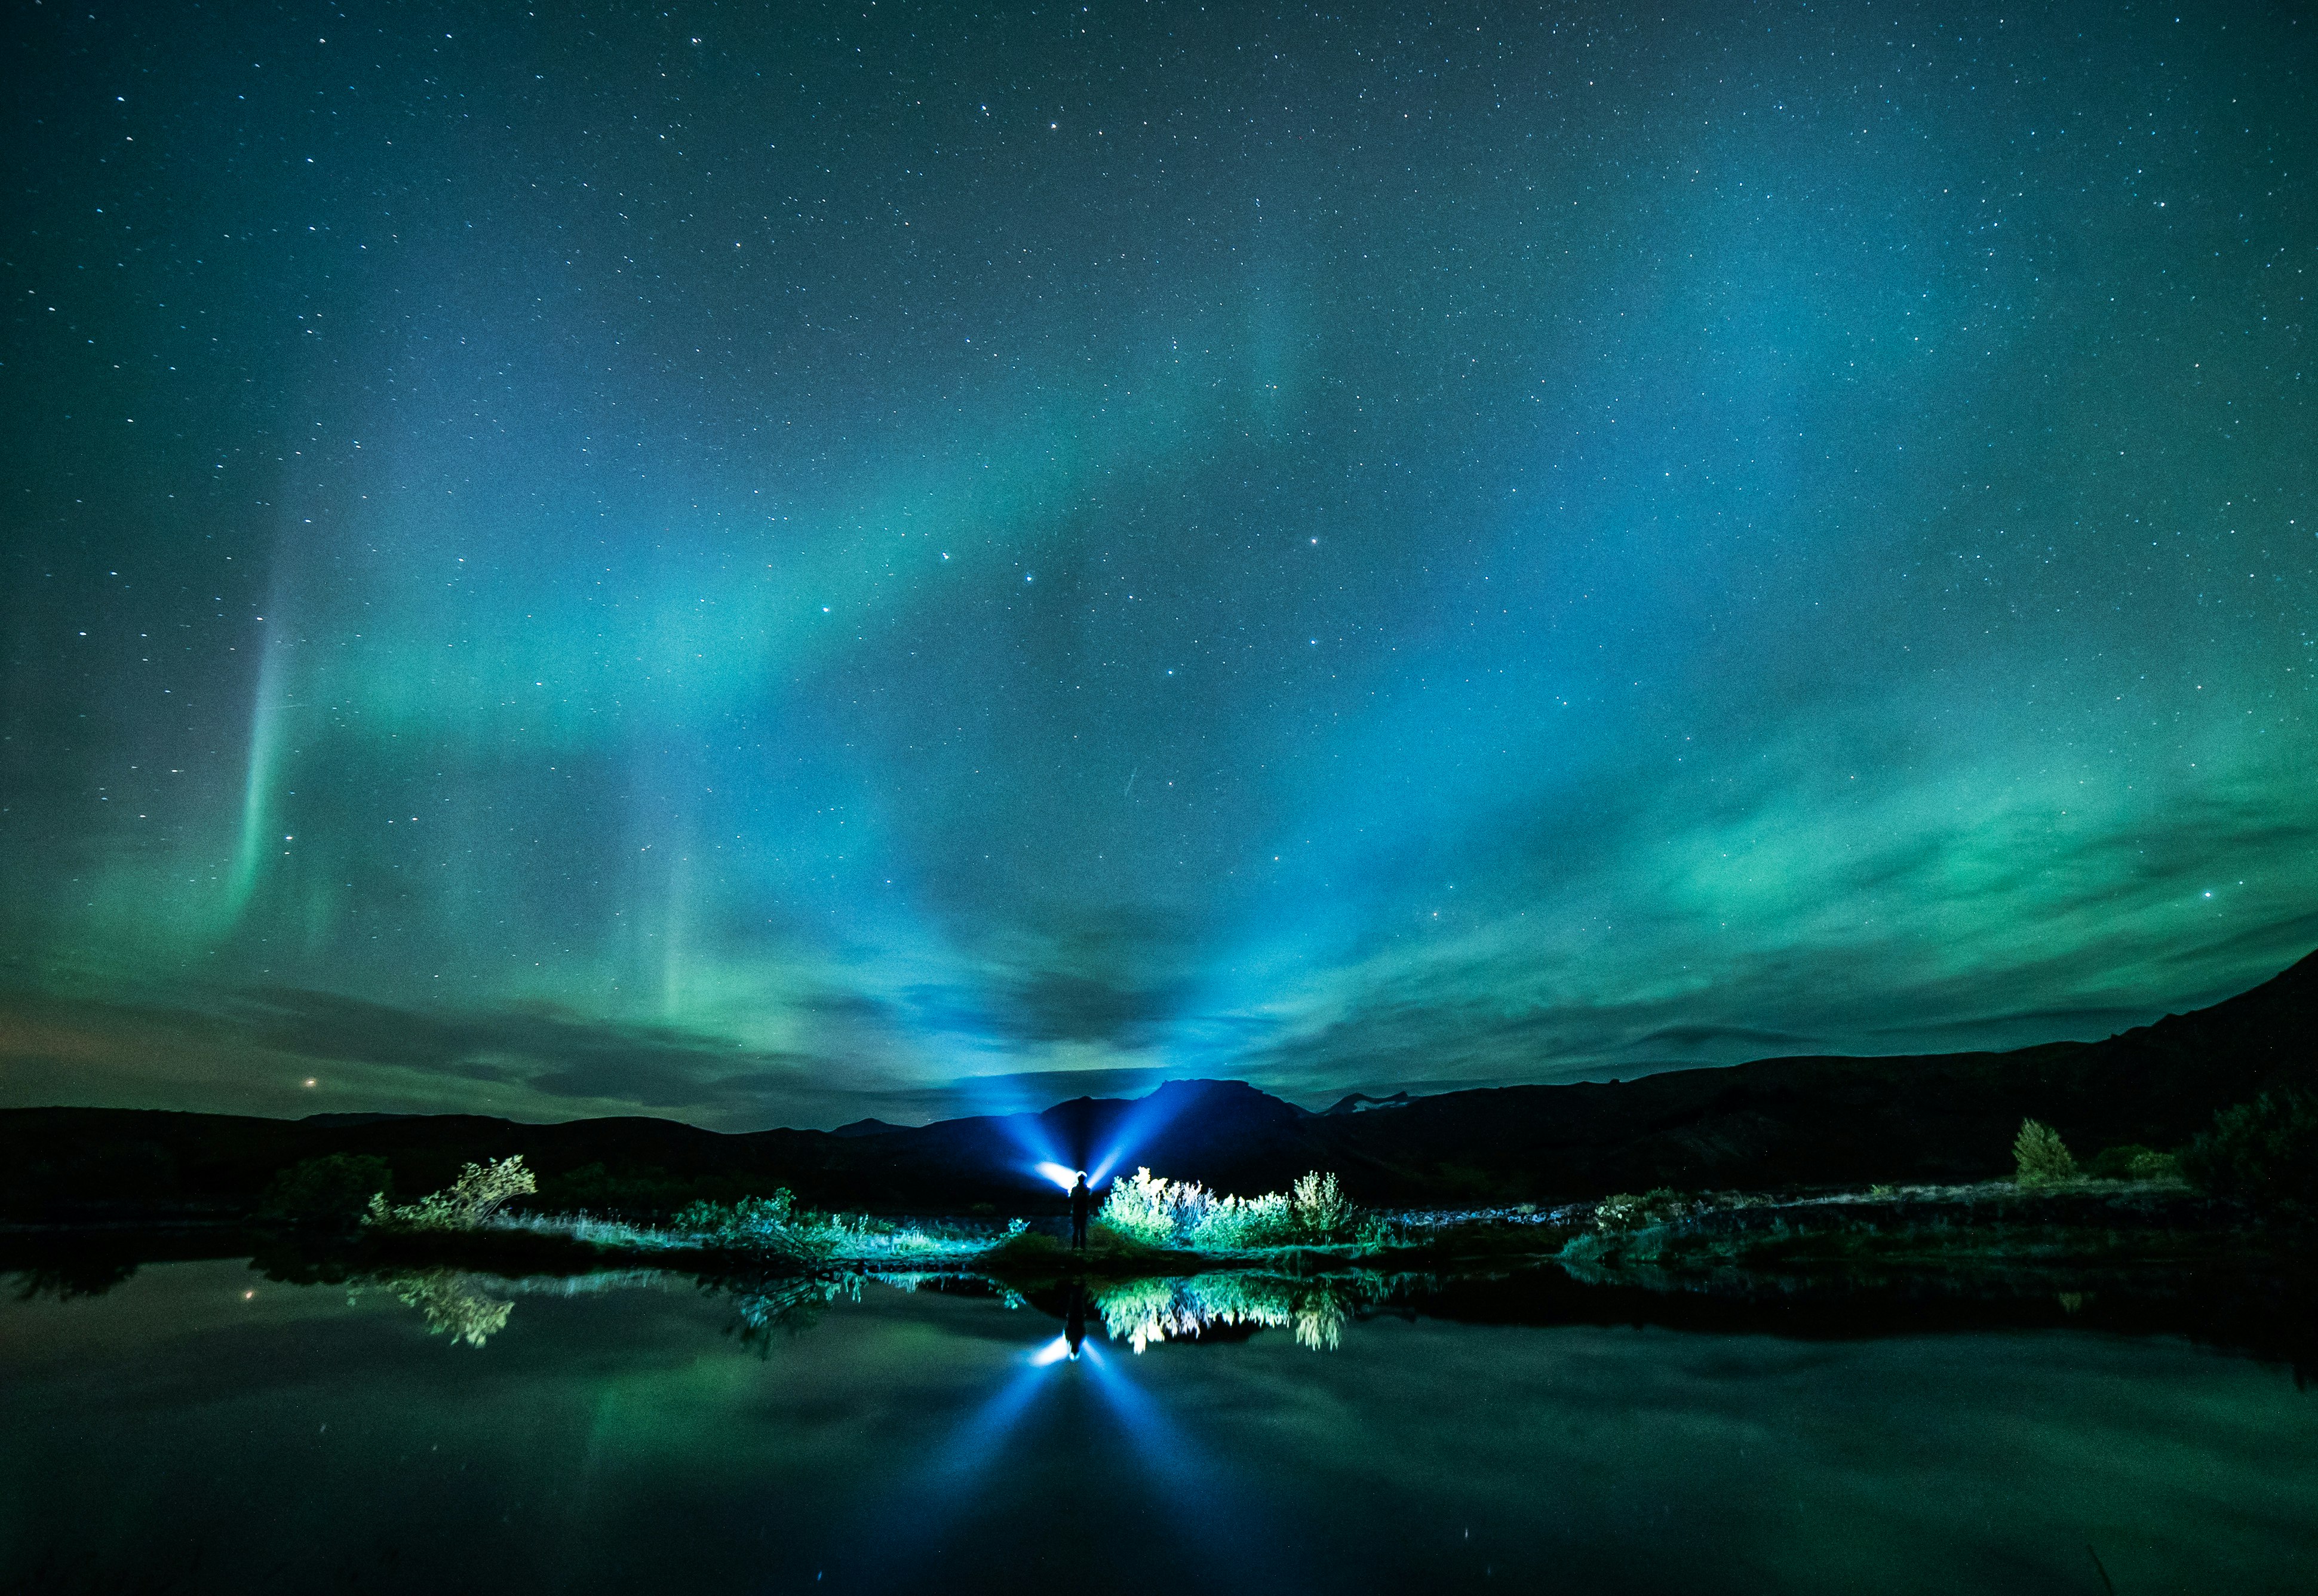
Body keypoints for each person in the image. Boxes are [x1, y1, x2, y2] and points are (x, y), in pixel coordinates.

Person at [1070, 1170, 1092, 1250]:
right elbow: (1089, 1199)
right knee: (1083, 1229)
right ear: (1084, 1179)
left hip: (1076, 1211)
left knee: (1076, 1229)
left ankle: (1074, 1247)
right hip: (1084, 1211)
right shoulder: (1087, 1190)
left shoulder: (1074, 1189)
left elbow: (1071, 1198)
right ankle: (1083, 1247)